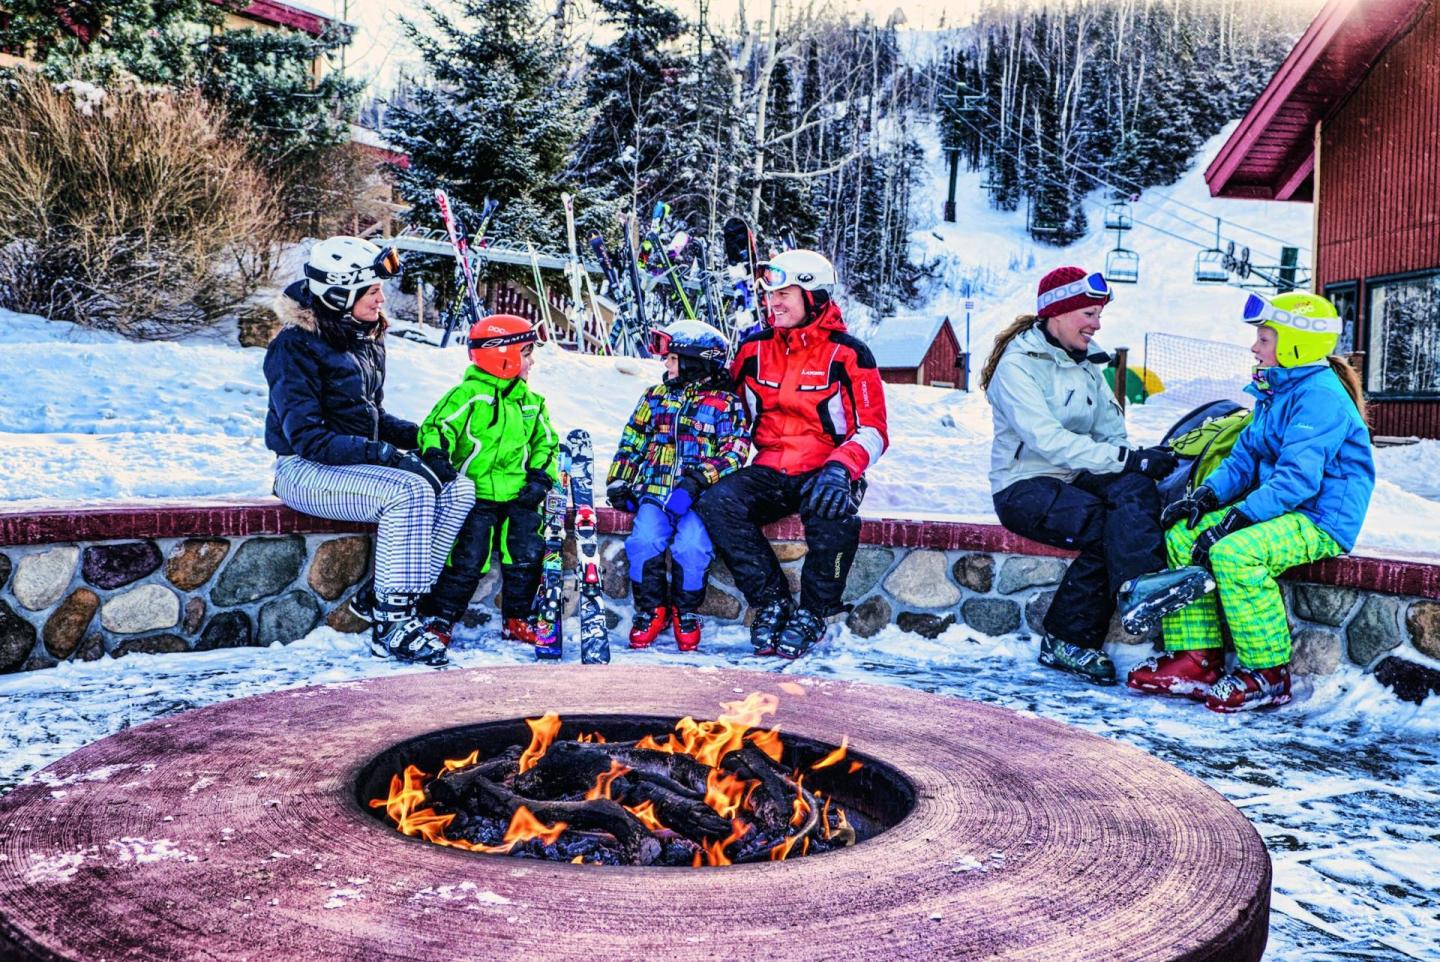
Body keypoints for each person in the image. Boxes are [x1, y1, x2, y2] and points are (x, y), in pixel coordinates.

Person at [1123, 292, 1374, 712]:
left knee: (1235, 554)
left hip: (1320, 517)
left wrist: (1237, 519)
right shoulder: (1274, 390)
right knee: (1183, 537)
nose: (1254, 348)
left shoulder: (1320, 398)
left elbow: (1297, 480)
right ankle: (1196, 659)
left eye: (1264, 339)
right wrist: (1205, 498)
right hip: (1281, 508)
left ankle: (1268, 673)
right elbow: (1243, 459)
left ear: (1296, 343)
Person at [264, 236, 470, 666]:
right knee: (409, 490)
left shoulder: (364, 336)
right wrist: (393, 458)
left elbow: (370, 415)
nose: (382, 299)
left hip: (349, 465)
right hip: (303, 469)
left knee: (458, 490)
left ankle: (391, 599)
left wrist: (424, 439)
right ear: (340, 295)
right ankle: (392, 624)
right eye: (372, 291)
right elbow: (309, 439)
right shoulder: (293, 346)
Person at [981, 266, 1176, 685]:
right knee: (1107, 526)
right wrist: (1127, 459)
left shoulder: (1087, 363)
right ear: (1058, 312)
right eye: (1088, 313)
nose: (1096, 323)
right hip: (1024, 485)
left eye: (1099, 315)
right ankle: (1065, 639)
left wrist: (1134, 462)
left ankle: (1141, 588)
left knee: (1137, 489)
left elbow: (1110, 429)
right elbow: (1047, 440)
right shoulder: (1018, 365)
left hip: (1076, 475)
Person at [695, 249, 888, 659]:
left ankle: (815, 611)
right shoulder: (754, 350)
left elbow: (873, 429)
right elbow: (728, 415)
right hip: (770, 469)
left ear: (814, 295)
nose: (773, 302)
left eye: (785, 292)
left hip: (826, 467)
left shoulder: (849, 354)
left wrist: (842, 469)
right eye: (769, 294)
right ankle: (771, 601)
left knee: (832, 512)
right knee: (718, 503)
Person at [605, 319, 750, 651]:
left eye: (672, 358)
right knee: (643, 542)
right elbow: (633, 440)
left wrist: (697, 482)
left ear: (695, 362)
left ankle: (686, 609)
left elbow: (735, 452)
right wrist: (620, 480)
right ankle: (651, 609)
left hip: (698, 500)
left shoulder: (725, 403)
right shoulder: (654, 397)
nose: (665, 364)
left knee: (692, 547)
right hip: (655, 495)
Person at [413, 315, 557, 648]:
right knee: (467, 557)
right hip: (474, 495)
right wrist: (438, 456)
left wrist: (539, 478)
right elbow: (436, 427)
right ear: (502, 354)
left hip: (519, 495)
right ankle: (440, 617)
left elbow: (546, 443)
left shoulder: (531, 403)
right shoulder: (468, 395)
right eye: (527, 352)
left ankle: (518, 618)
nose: (532, 361)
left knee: (525, 554)